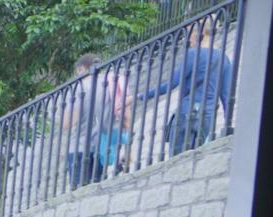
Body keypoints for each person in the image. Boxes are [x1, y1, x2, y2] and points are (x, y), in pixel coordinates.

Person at [139, 20, 234, 157]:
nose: (187, 38)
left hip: (186, 112)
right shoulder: (224, 58)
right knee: (195, 159)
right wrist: (228, 124)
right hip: (207, 117)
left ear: (199, 33)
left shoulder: (192, 54)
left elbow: (172, 84)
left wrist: (141, 96)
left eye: (190, 33)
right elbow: (226, 96)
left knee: (176, 161)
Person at [61, 53, 133, 190]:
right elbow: (124, 112)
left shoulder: (78, 88)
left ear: (81, 69)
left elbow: (67, 123)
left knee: (79, 193)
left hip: (80, 147)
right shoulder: (110, 83)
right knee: (97, 190)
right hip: (102, 147)